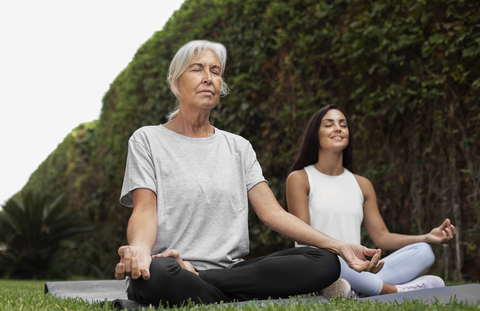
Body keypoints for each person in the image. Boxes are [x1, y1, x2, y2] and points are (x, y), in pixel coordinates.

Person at [114, 40, 384, 307]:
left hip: (233, 272)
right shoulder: (147, 139)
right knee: (155, 275)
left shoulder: (238, 147)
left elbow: (273, 213)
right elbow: (144, 209)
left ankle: (204, 283)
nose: (208, 78)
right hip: (172, 267)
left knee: (323, 262)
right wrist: (139, 249)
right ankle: (227, 295)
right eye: (197, 69)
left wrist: (339, 246)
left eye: (216, 71)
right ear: (175, 82)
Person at [285, 104, 457, 297]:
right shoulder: (300, 178)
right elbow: (301, 234)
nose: (338, 128)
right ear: (315, 134)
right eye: (329, 124)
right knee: (332, 262)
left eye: (343, 124)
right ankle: (397, 290)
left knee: (424, 251)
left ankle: (353, 289)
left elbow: (382, 237)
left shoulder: (362, 184)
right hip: (321, 264)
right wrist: (342, 251)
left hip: (357, 270)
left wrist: (426, 236)